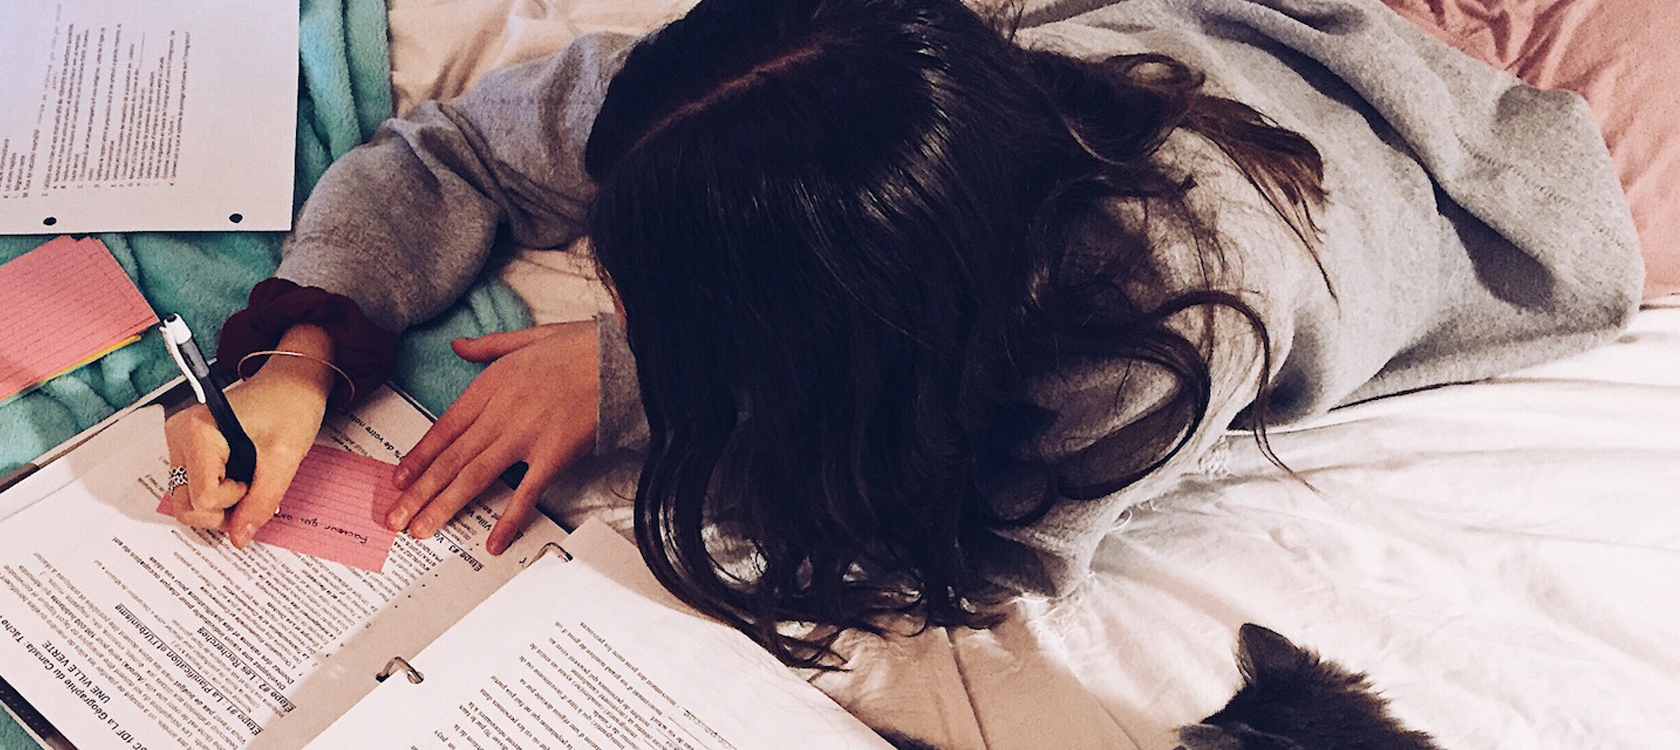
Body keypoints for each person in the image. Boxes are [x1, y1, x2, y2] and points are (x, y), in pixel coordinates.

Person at [165, 0, 1644, 665]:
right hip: (1201, 46)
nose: (603, 284)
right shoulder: (765, 102)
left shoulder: (1155, 343)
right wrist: (302, 345)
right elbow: (454, 151)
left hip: (1485, 168)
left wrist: (634, 383)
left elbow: (967, 528)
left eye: (637, 289)